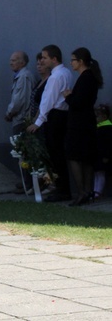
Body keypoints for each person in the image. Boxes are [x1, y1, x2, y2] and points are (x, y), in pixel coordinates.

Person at [27, 45, 73, 202]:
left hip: (55, 116)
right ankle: (61, 187)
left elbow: (48, 101)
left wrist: (38, 122)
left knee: (55, 154)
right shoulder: (66, 72)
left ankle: (62, 188)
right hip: (61, 115)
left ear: (54, 59)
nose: (42, 60)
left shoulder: (55, 77)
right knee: (58, 153)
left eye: (45, 58)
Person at [63, 47, 103, 206]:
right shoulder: (89, 77)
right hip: (85, 123)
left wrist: (68, 96)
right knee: (86, 158)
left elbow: (78, 103)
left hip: (79, 124)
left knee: (74, 156)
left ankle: (82, 191)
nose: (71, 63)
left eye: (73, 60)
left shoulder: (85, 78)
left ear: (80, 62)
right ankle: (87, 191)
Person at [5, 51, 36, 135]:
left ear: (22, 63)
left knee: (19, 146)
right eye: (10, 60)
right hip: (21, 118)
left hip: (22, 119)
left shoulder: (23, 77)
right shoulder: (20, 76)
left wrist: (9, 113)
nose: (11, 63)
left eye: (14, 60)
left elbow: (19, 100)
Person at [93, 104, 111, 200]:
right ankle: (96, 190)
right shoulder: (99, 127)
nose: (96, 118)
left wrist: (106, 156)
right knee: (97, 173)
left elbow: (107, 144)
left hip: (102, 155)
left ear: (104, 117)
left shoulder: (107, 128)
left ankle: (98, 191)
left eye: (97, 116)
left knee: (100, 173)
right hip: (98, 154)